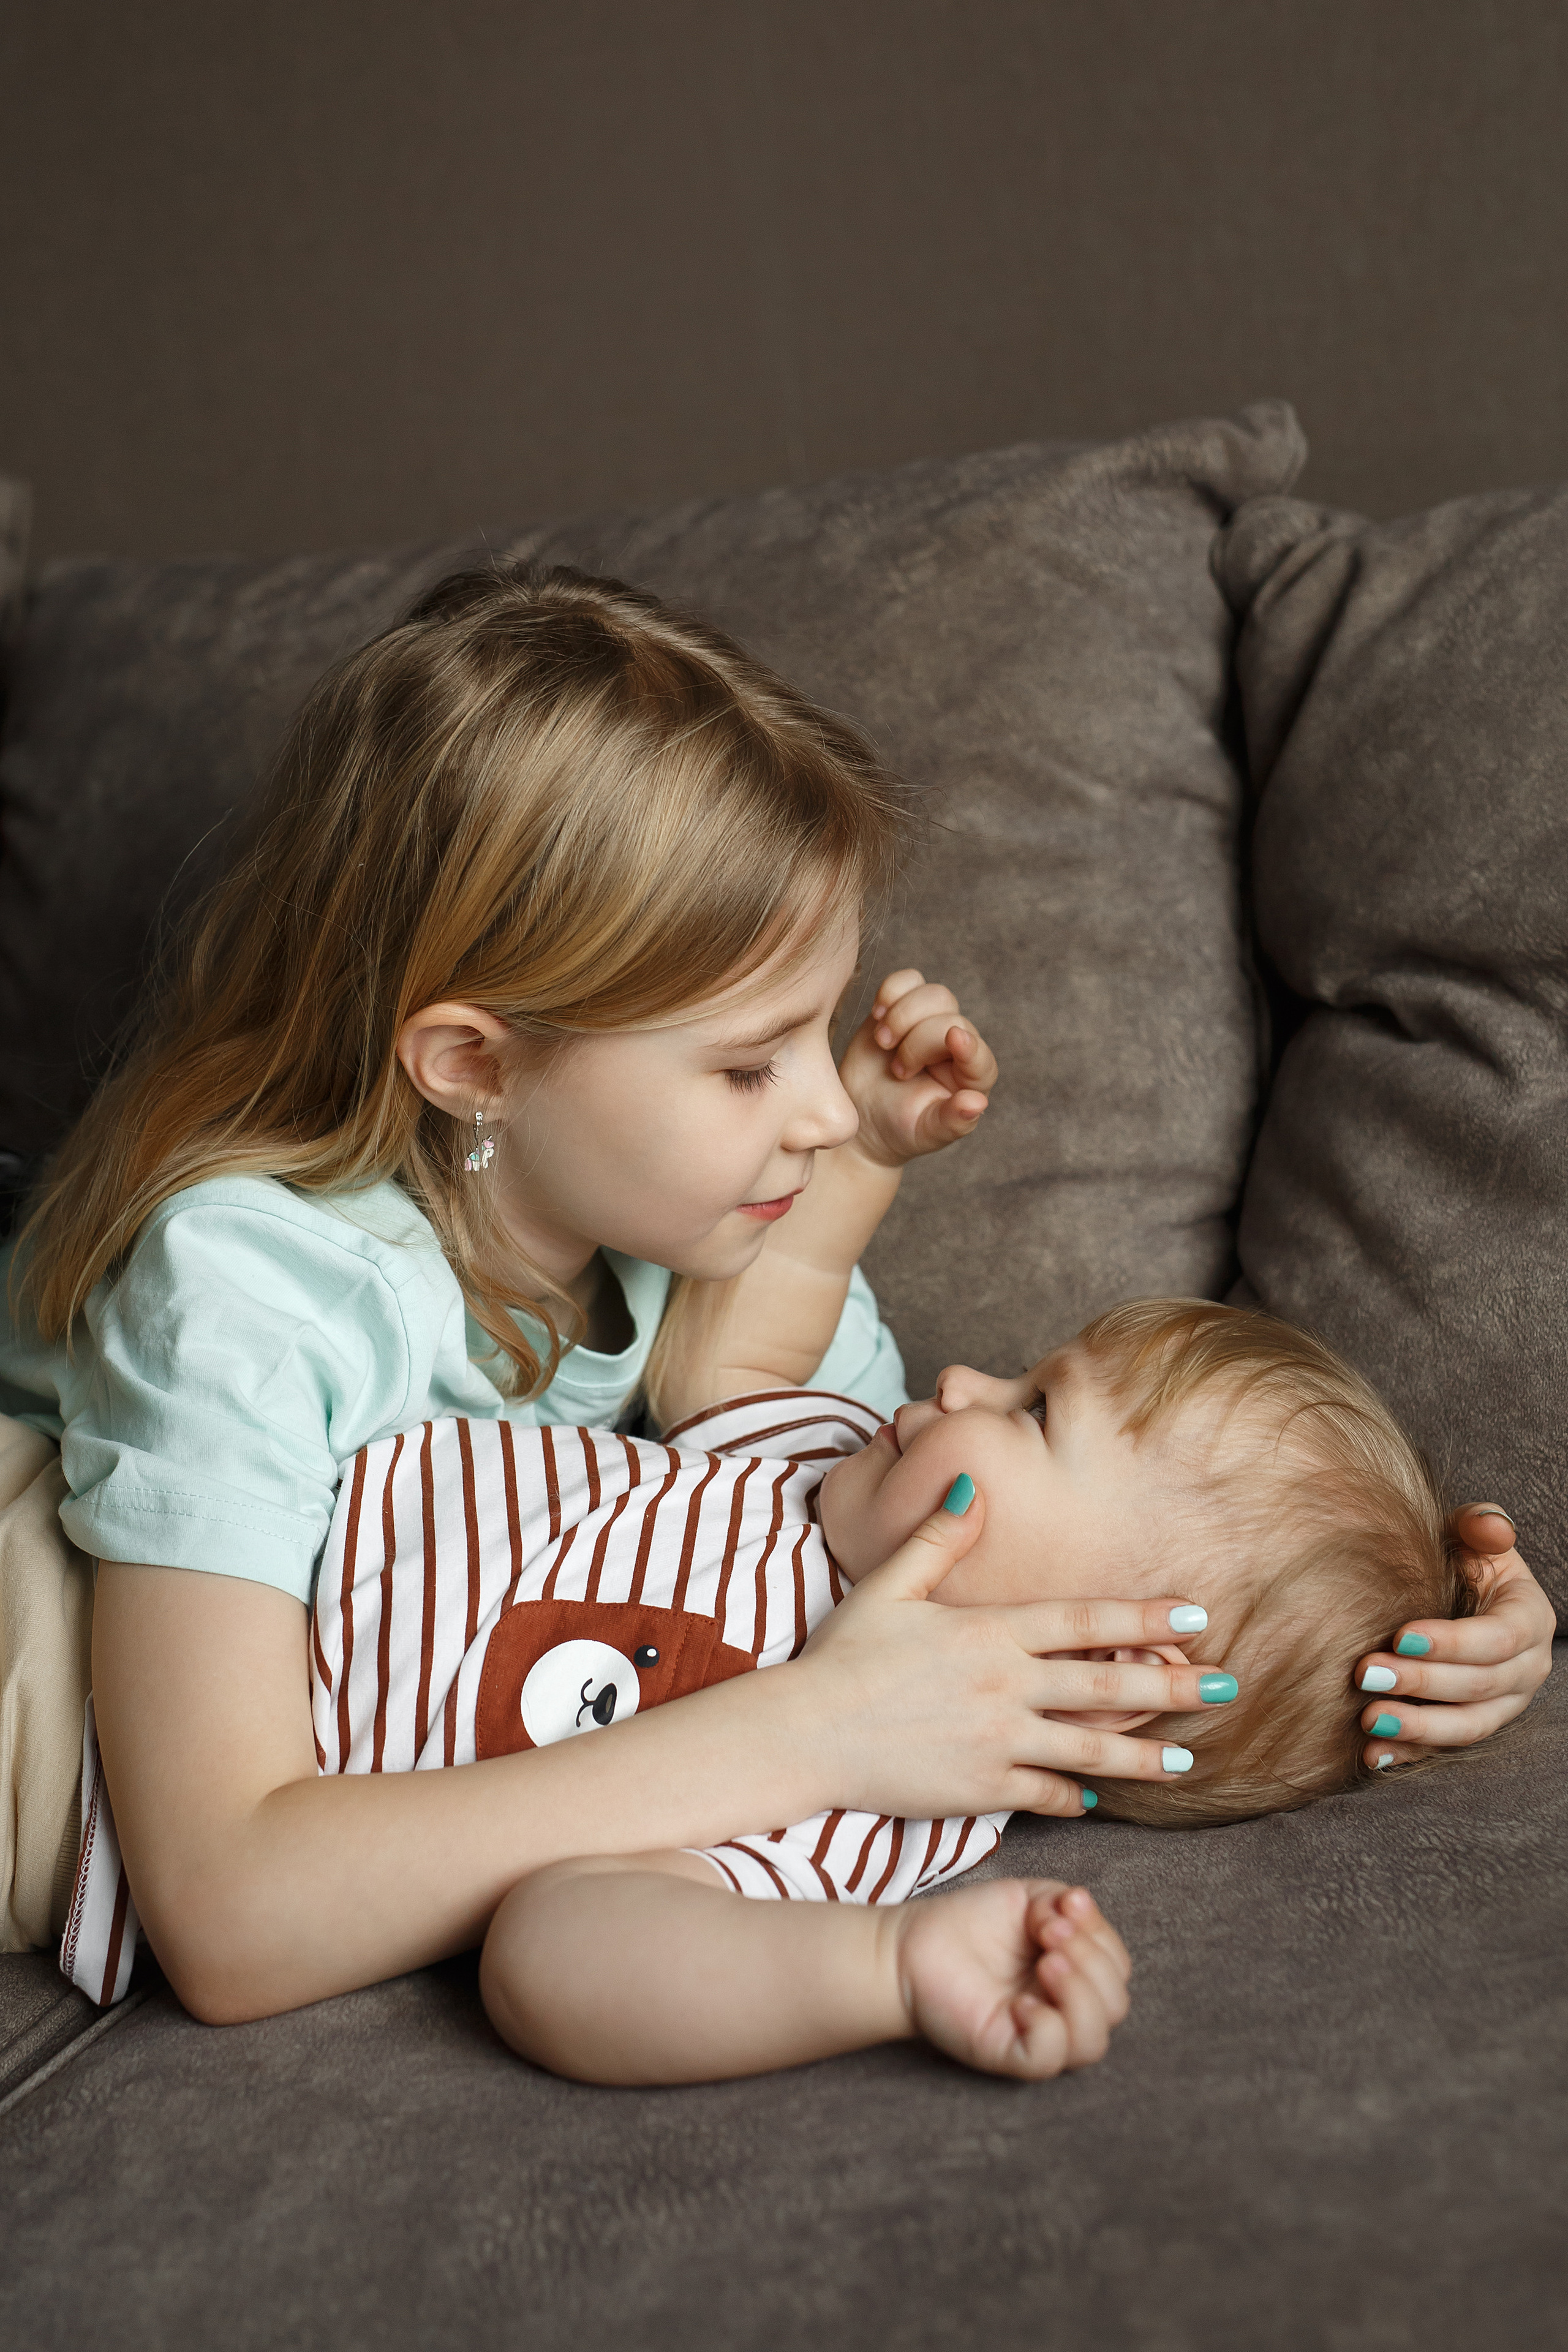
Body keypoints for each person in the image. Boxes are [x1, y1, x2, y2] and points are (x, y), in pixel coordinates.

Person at [0, 565, 1551, 2018]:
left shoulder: (698, 1264)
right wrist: (806, 1729)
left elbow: (893, 1473)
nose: (818, 1111)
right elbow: (228, 1912)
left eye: (815, 1041)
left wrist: (1397, 1663)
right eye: (749, 1063)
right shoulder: (247, 1296)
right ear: (474, 1066)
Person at [273, 1298, 1492, 2086]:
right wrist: (865, 1137)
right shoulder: (826, 1463)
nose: (962, 1377)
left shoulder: (893, 1798)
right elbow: (733, 1340)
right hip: (247, 1525)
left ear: (1111, 1671)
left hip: (174, 1769)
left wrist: (881, 1965)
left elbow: (553, 1958)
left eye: (1031, 1410)